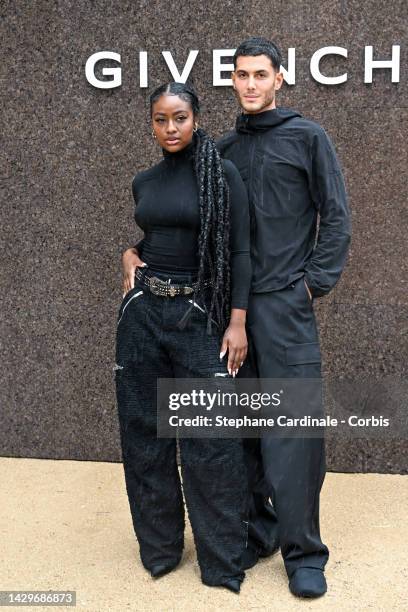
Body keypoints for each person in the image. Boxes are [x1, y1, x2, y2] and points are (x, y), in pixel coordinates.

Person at [216, 37, 352, 598]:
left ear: (279, 79)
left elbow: (336, 216)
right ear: (233, 82)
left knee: (294, 433)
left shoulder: (308, 136)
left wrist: (310, 286)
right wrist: (136, 249)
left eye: (259, 74)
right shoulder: (220, 149)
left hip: (285, 310)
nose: (250, 84)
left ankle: (304, 554)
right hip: (233, 313)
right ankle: (260, 530)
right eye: (241, 75)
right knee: (241, 429)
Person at [114, 81, 252, 593]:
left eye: (179, 118)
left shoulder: (220, 173)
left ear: (196, 118)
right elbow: (160, 235)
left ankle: (220, 562)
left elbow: (239, 251)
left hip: (198, 315)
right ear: (150, 123)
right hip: (143, 315)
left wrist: (237, 321)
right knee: (144, 434)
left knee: (211, 441)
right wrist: (129, 253)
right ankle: (160, 550)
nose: (170, 128)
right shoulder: (144, 180)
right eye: (160, 119)